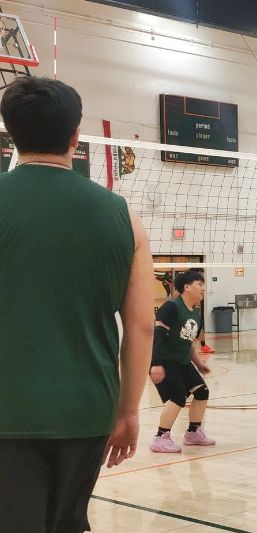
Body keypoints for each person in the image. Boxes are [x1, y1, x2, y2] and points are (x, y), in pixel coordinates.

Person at [0, 76, 153, 532]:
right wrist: (128, 410)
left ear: (10, 134)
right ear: (75, 136)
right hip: (88, 409)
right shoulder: (123, 215)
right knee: (68, 523)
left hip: (7, 408)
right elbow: (142, 326)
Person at [149, 271, 216, 453]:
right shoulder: (171, 308)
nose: (203, 288)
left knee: (202, 392)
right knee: (177, 397)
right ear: (187, 287)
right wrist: (155, 364)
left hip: (183, 361)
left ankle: (193, 433)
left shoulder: (196, 313)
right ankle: (160, 438)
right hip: (164, 360)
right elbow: (158, 337)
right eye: (199, 284)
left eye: (204, 284)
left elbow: (188, 342)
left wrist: (198, 363)